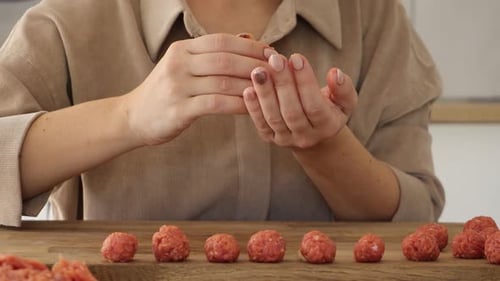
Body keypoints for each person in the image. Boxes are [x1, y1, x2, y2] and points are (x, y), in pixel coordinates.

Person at [0, 0, 445, 227]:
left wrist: (326, 148)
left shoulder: (375, 18)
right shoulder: (69, 18)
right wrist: (129, 116)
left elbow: (415, 220)